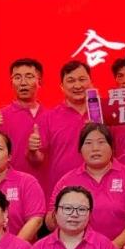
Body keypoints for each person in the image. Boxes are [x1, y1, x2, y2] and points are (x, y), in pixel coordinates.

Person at [47, 123, 125, 249]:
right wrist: (61, 211)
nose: (95, 148)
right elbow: (50, 223)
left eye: (101, 142)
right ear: (80, 149)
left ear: (112, 147)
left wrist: (113, 247)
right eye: (88, 143)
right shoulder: (66, 181)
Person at [31, 60, 94, 193]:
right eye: (71, 81)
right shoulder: (49, 117)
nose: (77, 85)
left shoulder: (103, 113)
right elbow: (37, 160)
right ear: (62, 86)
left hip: (99, 188)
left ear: (91, 82)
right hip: (63, 190)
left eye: (82, 79)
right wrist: (32, 150)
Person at [0, 58, 48, 190]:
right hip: (10, 188)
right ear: (11, 83)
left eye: (29, 77)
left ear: (40, 81)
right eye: (17, 77)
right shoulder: (0, 117)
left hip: (45, 186)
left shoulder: (51, 115)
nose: (23, 83)